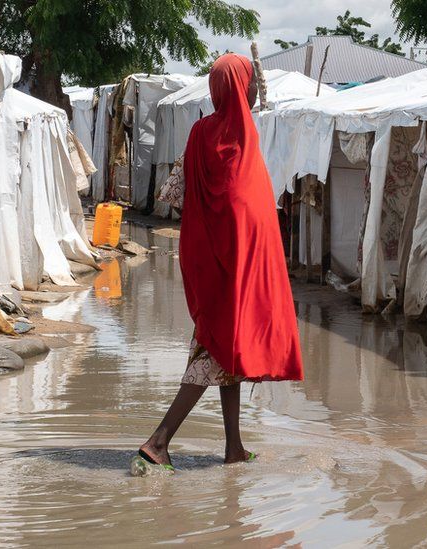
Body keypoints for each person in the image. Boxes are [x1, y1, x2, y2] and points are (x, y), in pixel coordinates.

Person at [132, 54, 304, 474]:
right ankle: (158, 442)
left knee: (229, 354)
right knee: (212, 352)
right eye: (247, 83)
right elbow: (248, 207)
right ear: (239, 87)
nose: (250, 90)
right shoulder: (243, 139)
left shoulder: (199, 133)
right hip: (235, 273)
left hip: (212, 263)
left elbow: (172, 194)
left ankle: (233, 447)